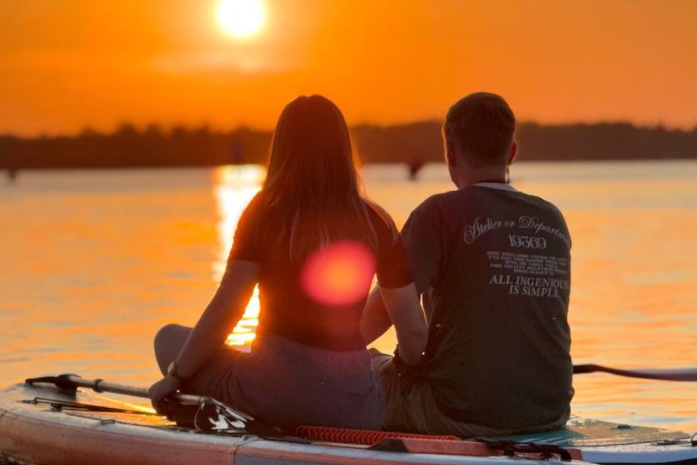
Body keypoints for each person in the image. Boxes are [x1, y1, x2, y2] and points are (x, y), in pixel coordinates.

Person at [149, 95, 427, 431]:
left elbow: (229, 306)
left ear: (281, 148)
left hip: (269, 395)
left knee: (168, 339)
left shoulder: (264, 211)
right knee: (374, 360)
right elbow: (412, 333)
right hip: (351, 408)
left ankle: (221, 418)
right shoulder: (377, 221)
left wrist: (175, 376)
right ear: (342, 149)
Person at [363, 92, 574, 438]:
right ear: (512, 153)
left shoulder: (438, 214)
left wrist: (332, 353)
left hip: (455, 413)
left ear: (449, 152)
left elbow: (381, 311)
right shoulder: (552, 219)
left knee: (366, 364)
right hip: (549, 412)